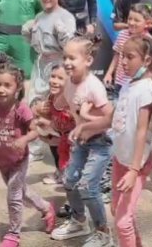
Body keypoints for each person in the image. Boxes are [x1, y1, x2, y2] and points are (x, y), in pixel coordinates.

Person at [0, 63, 56, 246]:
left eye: (6, 85)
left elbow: (36, 131)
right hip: (1, 160)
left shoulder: (21, 109)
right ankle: (46, 207)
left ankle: (14, 234)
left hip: (18, 160)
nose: (0, 89)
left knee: (13, 196)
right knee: (22, 192)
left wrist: (24, 140)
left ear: (17, 87)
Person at [51, 36, 114, 246]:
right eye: (65, 57)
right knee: (69, 181)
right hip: (81, 142)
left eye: (72, 58)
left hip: (99, 142)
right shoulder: (69, 82)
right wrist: (47, 106)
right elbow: (60, 103)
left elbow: (111, 119)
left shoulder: (93, 87)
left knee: (87, 186)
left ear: (88, 60)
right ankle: (79, 221)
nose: (67, 62)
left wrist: (85, 121)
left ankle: (103, 232)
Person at [106, 36, 152, 247]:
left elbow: (141, 131)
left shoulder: (147, 89)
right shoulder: (129, 83)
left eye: (129, 57)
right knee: (117, 209)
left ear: (146, 60)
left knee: (122, 221)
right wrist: (86, 126)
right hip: (122, 159)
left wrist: (134, 170)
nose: (123, 62)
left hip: (135, 163)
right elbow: (116, 118)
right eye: (121, 56)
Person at [22, 0, 76, 103]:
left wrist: (61, 30)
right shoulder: (39, 16)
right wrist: (27, 31)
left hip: (58, 65)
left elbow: (69, 47)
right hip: (40, 65)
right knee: (36, 101)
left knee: (56, 102)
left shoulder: (66, 17)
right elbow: (32, 42)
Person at [34, 63, 75, 186]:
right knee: (42, 130)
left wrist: (48, 123)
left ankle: (68, 175)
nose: (54, 81)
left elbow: (74, 122)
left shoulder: (71, 99)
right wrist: (39, 110)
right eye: (53, 76)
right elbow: (36, 112)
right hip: (60, 132)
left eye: (60, 78)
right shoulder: (52, 96)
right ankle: (60, 171)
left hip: (73, 137)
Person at [104, 3, 152, 91]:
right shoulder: (122, 34)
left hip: (138, 84)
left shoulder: (148, 40)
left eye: (136, 20)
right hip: (119, 82)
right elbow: (117, 55)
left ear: (147, 23)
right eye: (129, 19)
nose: (131, 22)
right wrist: (109, 73)